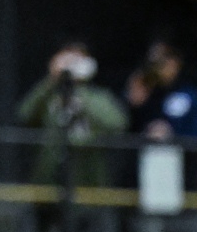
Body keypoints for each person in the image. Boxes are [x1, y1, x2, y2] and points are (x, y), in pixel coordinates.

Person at [16, 41, 128, 189]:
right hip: (49, 181)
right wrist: (52, 80)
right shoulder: (49, 95)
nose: (73, 65)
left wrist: (80, 93)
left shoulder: (99, 97)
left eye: (78, 60)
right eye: (69, 60)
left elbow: (118, 124)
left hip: (88, 179)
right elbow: (24, 114)